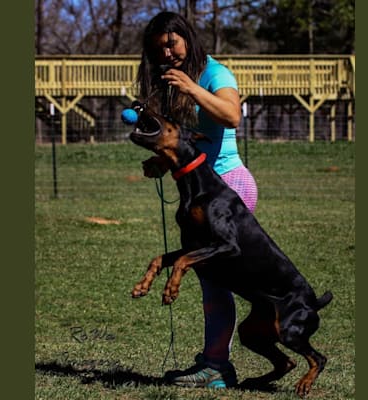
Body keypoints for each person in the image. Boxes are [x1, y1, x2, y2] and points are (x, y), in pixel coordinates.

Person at [135, 11, 258, 389]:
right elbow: (188, 140)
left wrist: (192, 88)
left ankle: (218, 365)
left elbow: (231, 116)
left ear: (186, 38)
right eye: (159, 50)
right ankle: (215, 359)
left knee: (214, 280)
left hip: (229, 189)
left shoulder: (214, 75)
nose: (167, 54)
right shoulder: (171, 82)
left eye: (171, 44)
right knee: (213, 281)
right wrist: (162, 160)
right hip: (198, 190)